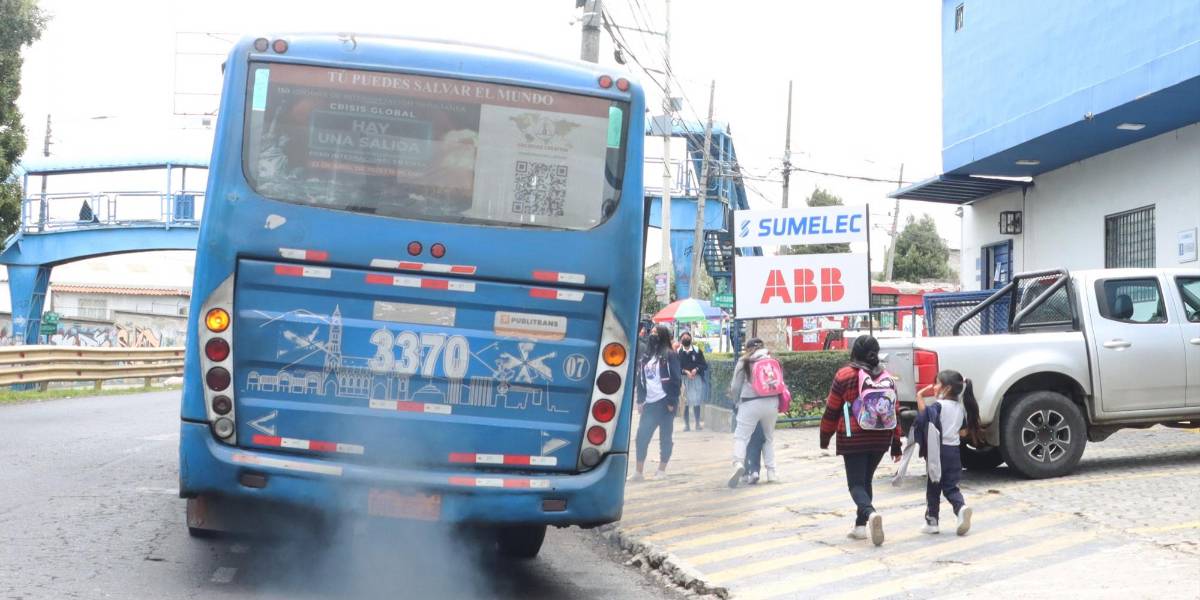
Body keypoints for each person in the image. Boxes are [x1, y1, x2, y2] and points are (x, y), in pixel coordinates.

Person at [819, 335, 902, 546]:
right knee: (866, 481)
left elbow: (832, 409)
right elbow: (895, 411)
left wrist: (825, 437)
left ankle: (871, 513)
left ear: (855, 351)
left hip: (853, 438)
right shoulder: (887, 377)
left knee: (856, 485)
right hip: (881, 438)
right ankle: (860, 527)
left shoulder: (845, 375)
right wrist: (896, 444)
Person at [915, 370, 982, 536]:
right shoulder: (960, 408)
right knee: (951, 487)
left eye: (937, 383)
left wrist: (919, 397)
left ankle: (932, 522)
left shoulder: (938, 406)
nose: (934, 386)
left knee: (934, 486)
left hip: (938, 451)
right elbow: (963, 432)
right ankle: (961, 508)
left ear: (947, 388)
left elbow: (924, 418)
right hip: (954, 452)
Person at [727, 338, 780, 488]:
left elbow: (735, 387)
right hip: (772, 402)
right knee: (768, 439)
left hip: (750, 402)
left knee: (741, 437)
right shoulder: (771, 359)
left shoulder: (744, 361)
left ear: (747, 348)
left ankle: (738, 464)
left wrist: (736, 402)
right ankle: (771, 472)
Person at [631, 324, 682, 481]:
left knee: (665, 437)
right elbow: (641, 380)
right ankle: (638, 472)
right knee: (641, 437)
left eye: (656, 333)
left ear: (663, 336)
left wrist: (672, 401)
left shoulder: (670, 355)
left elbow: (676, 379)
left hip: (665, 403)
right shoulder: (646, 357)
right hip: (650, 404)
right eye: (651, 332)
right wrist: (640, 400)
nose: (652, 335)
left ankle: (661, 470)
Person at [677, 331, 708, 431]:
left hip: (696, 378)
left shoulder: (697, 350)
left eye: (687, 337)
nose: (686, 339)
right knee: (685, 401)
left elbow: (704, 365)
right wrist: (685, 371)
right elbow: (676, 367)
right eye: (683, 338)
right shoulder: (678, 352)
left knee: (696, 401)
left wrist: (696, 369)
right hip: (684, 380)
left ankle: (697, 423)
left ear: (691, 339)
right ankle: (687, 425)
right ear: (681, 340)